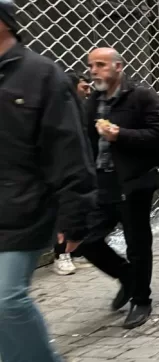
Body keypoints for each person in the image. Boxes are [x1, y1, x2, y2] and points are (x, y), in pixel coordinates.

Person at [0, 0, 95, 362]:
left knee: (8, 298)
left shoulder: (41, 75)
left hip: (26, 205)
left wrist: (73, 218)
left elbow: (69, 149)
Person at [76, 47, 159, 329]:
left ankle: (141, 299)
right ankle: (128, 277)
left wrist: (120, 134)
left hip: (133, 182)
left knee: (137, 244)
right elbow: (85, 137)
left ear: (119, 67)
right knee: (87, 241)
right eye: (91, 65)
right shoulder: (93, 101)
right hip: (102, 182)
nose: (94, 71)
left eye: (101, 65)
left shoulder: (141, 96)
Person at [52, 72, 93, 277]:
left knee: (80, 212)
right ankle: (61, 256)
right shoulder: (59, 109)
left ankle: (75, 252)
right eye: (84, 87)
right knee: (63, 215)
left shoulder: (82, 108)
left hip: (81, 168)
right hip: (62, 170)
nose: (88, 91)